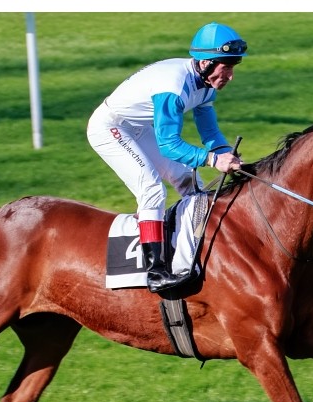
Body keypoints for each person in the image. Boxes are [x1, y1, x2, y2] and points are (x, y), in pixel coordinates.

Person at [87, 22, 246, 293]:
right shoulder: (173, 88)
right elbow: (169, 145)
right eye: (227, 67)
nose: (230, 76)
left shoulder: (206, 83)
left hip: (138, 128)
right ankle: (156, 272)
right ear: (206, 62)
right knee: (151, 188)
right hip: (110, 128)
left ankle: (196, 245)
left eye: (233, 67)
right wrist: (212, 160)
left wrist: (225, 152)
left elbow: (209, 131)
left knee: (187, 179)